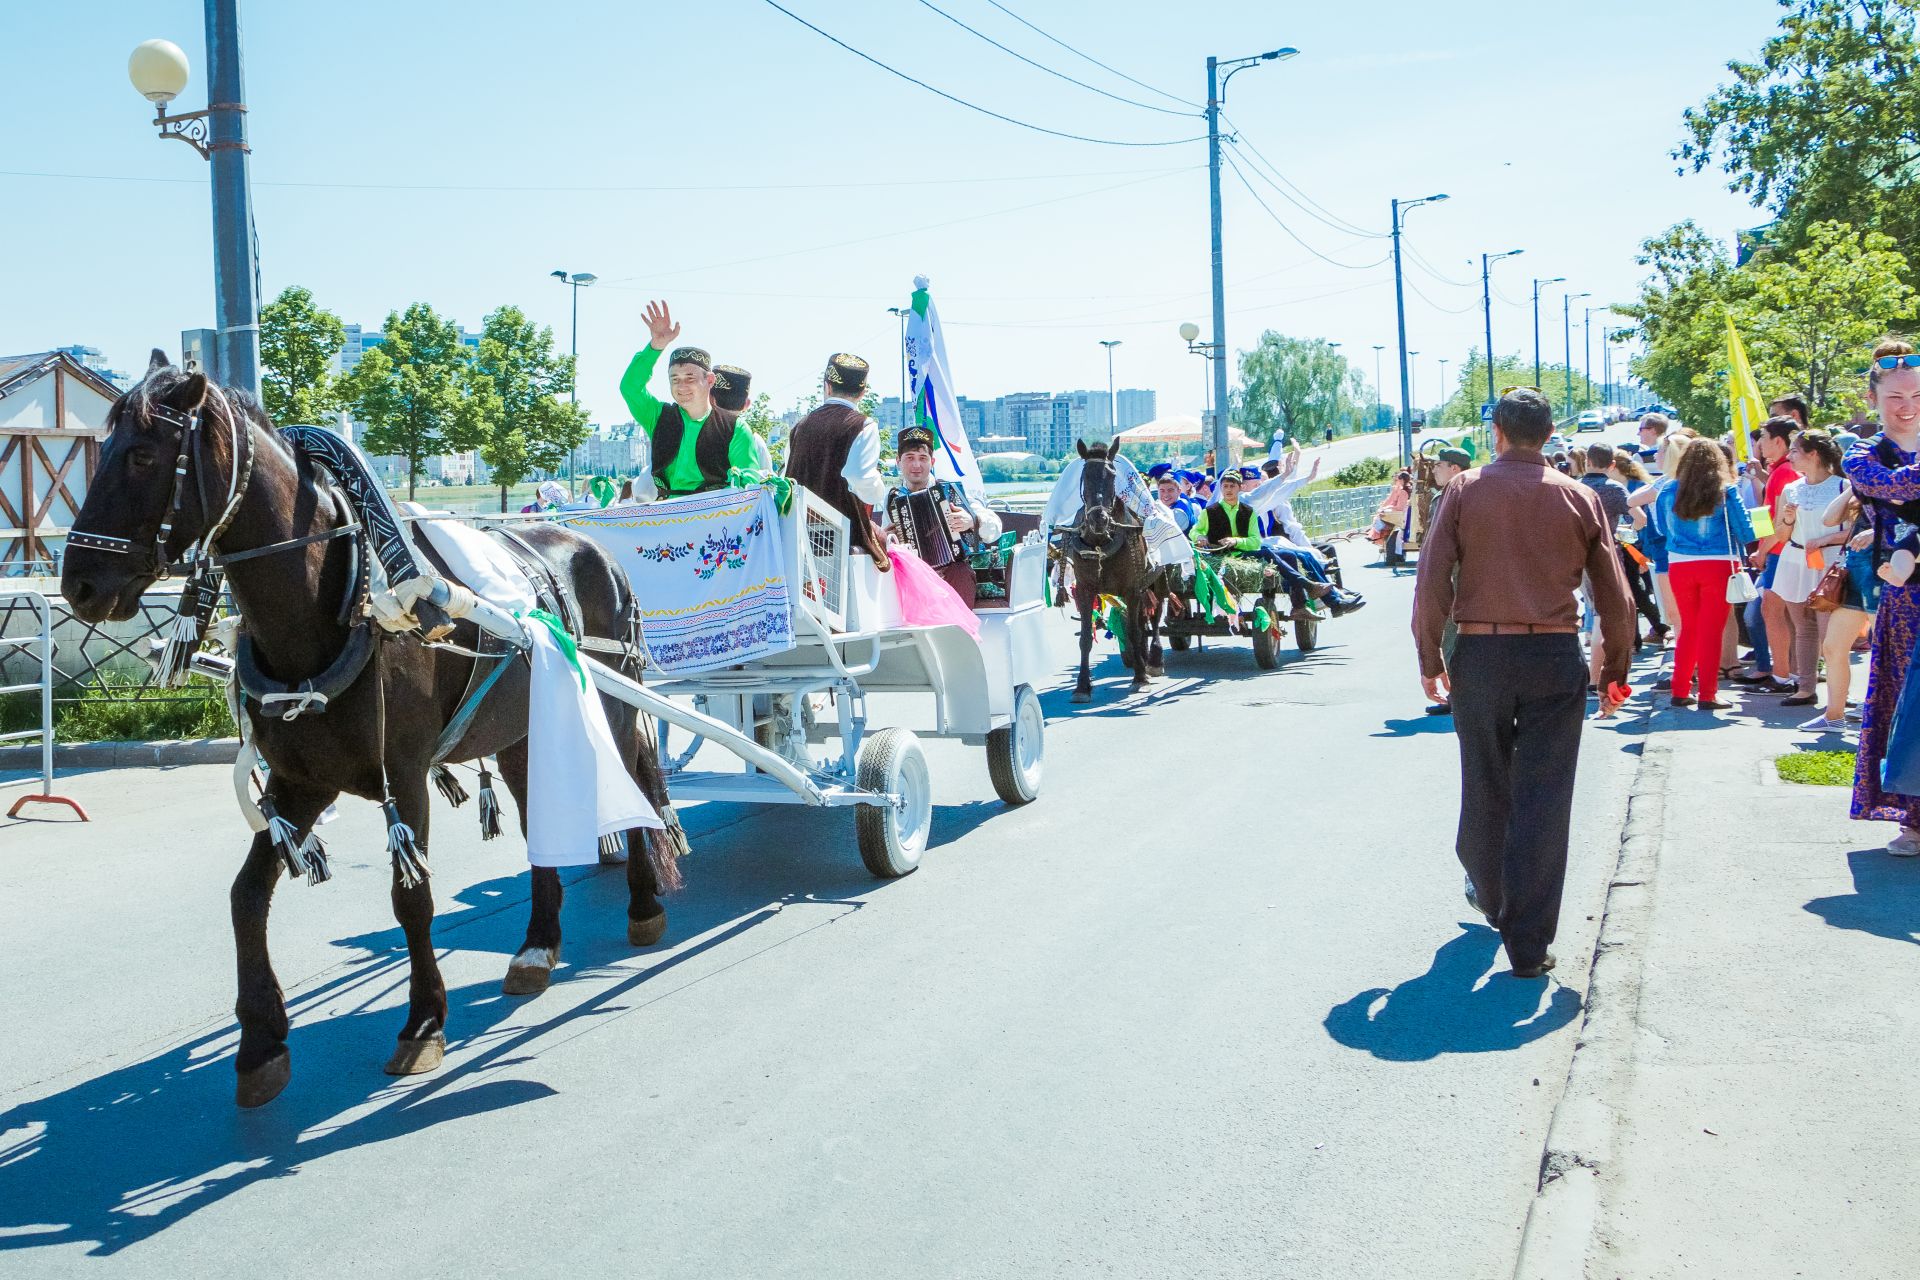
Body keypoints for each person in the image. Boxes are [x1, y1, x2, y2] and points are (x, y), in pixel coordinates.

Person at [1412, 387, 1634, 978]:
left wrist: (1430, 657)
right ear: (1548, 432)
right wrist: (1615, 670)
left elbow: (1432, 577)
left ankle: (1489, 889)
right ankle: (1529, 948)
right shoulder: (1581, 496)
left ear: (1497, 434)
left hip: (1481, 655)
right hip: (1553, 655)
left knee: (1485, 782)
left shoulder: (1464, 489)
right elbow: (1615, 594)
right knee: (1544, 798)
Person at [1843, 337, 1920, 853]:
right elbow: (1892, 486)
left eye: (1915, 394)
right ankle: (1913, 820)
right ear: (1873, 399)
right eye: (1894, 396)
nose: (1907, 405)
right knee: (1902, 700)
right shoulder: (1863, 454)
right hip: (1905, 597)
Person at [618, 300, 762, 498]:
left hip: (716, 518)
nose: (681, 386)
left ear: (709, 380)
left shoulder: (735, 428)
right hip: (665, 516)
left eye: (690, 378)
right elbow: (630, 387)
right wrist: (655, 347)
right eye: (674, 379)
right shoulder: (659, 416)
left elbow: (749, 485)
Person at [1656, 437, 1760, 709]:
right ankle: (1708, 693)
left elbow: (1662, 530)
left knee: (1688, 627)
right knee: (1712, 630)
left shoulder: (1667, 490)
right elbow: (1746, 532)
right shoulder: (1726, 490)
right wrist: (1765, 516)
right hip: (1719, 563)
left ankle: (1680, 689)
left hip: (1679, 563)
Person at [1193, 470, 1363, 614]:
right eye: (1225, 486)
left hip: (1242, 550)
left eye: (1233, 486)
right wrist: (1199, 537)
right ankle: (1314, 589)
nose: (1229, 490)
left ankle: (1306, 604)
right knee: (1269, 552)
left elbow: (1253, 542)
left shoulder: (1248, 511)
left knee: (1293, 554)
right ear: (1221, 489)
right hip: (1223, 554)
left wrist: (1235, 540)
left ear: (1240, 488)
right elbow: (1196, 531)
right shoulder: (1210, 511)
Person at [784, 353, 892, 569]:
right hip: (842, 540)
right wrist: (879, 491)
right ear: (862, 392)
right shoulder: (863, 425)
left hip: (799, 537)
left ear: (827, 386)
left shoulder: (800, 426)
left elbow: (787, 477)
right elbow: (860, 477)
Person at [1772, 429, 1849, 709]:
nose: (1789, 456)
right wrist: (1789, 520)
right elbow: (1780, 535)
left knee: (1831, 635)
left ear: (1812, 454)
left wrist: (1825, 539)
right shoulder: (1791, 489)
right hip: (1795, 562)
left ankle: (1839, 696)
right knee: (1803, 629)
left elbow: (1855, 530)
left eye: (1794, 451)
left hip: (1828, 565)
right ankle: (1805, 688)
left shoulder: (1842, 487)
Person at [887, 423, 1001, 601]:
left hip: (951, 573)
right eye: (909, 457)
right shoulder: (891, 499)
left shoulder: (951, 492)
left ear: (932, 462)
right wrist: (888, 538)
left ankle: (959, 628)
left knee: (961, 571)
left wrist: (972, 520)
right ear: (898, 461)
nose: (916, 464)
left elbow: (995, 525)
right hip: (911, 575)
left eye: (923, 458)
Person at [1729, 416, 1802, 693]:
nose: (1758, 444)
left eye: (1762, 438)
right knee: (1779, 615)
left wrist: (1762, 550)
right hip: (1779, 551)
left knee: (1771, 613)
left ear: (1778, 441)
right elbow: (1767, 511)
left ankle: (1782, 674)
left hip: (1780, 552)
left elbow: (1780, 521)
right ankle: (1790, 672)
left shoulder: (1784, 472)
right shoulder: (1779, 471)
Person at [1807, 484, 1877, 732]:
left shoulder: (1901, 479)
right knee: (1833, 646)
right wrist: (1854, 486)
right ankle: (1834, 716)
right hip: (1855, 574)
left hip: (1884, 573)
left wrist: (1876, 532)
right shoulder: (1863, 484)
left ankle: (1878, 711)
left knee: (1883, 652)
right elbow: (1828, 519)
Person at [711, 363, 776, 471]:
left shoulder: (691, 433)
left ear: (710, 399)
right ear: (747, 404)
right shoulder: (756, 443)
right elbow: (767, 484)